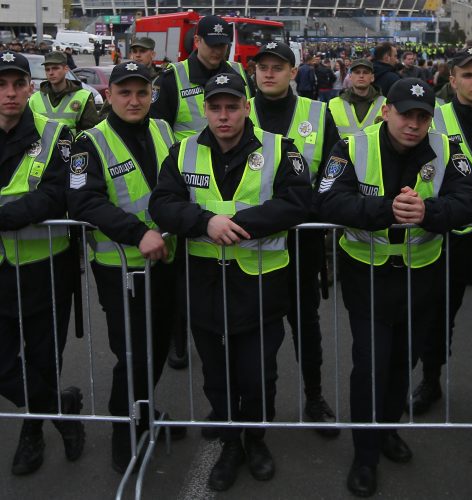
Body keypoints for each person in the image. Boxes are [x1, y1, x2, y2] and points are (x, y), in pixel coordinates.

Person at [316, 78, 472, 498]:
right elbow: (328, 200)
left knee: (401, 365)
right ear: (387, 110)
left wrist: (429, 211)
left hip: (422, 276)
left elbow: (470, 201)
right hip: (367, 277)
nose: (413, 124)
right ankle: (365, 453)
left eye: (422, 116)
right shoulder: (352, 146)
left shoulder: (446, 148)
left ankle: (387, 431)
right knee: (370, 366)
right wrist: (385, 210)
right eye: (406, 113)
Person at [149, 72, 311, 492]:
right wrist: (206, 222)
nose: (223, 116)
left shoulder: (280, 149)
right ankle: (230, 442)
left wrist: (237, 225)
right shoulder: (182, 152)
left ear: (246, 108)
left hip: (260, 288)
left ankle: (255, 440)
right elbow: (162, 204)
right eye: (215, 107)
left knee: (258, 376)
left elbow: (298, 201)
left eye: (232, 107)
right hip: (204, 286)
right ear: (205, 110)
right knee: (217, 377)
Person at [66, 62, 185, 473]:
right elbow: (84, 202)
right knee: (131, 352)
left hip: (166, 262)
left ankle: (144, 411)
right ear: (109, 96)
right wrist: (138, 234)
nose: (134, 101)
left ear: (151, 95)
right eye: (125, 93)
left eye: (141, 92)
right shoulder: (89, 142)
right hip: (121, 268)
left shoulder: (164, 131)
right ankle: (125, 428)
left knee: (155, 346)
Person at [249, 41, 341, 437]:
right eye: (262, 66)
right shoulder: (236, 109)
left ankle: (314, 397)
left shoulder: (318, 114)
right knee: (254, 334)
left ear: (293, 71)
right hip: (251, 245)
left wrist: (304, 209)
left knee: (306, 326)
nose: (269, 73)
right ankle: (257, 412)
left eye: (278, 66)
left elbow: (335, 174)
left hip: (300, 244)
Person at [0, 51, 85, 475]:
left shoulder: (56, 136)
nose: (10, 93)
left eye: (17, 84)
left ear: (30, 88)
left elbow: (55, 195)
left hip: (44, 270)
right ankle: (61, 407)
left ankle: (32, 433)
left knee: (42, 359)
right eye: (1, 85)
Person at [410, 48, 472, 414]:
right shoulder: (436, 119)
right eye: (468, 75)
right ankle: (430, 381)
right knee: (435, 318)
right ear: (453, 80)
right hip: (447, 237)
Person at [150, 15, 254, 141]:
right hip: (189, 158)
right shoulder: (172, 78)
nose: (217, 51)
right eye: (212, 45)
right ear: (197, 41)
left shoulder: (240, 74)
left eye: (222, 45)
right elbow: (158, 131)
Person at [29, 51, 99, 135]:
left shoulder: (83, 96)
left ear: (66, 69)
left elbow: (90, 132)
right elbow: (29, 130)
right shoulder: (35, 98)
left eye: (55, 68)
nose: (51, 73)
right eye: (47, 69)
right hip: (42, 148)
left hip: (72, 147)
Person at [328, 58, 385, 138]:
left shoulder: (385, 104)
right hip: (344, 150)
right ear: (350, 77)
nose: (361, 76)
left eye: (365, 72)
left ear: (372, 77)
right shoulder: (333, 104)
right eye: (357, 72)